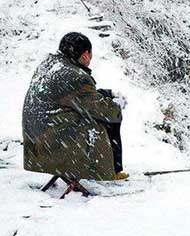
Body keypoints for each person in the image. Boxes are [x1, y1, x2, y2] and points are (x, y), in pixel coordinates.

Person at [22, 32, 129, 181]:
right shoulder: (73, 76)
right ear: (85, 54)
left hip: (36, 140)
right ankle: (113, 170)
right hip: (53, 143)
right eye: (90, 55)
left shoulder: (50, 65)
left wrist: (103, 94)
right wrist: (118, 104)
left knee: (103, 109)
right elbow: (104, 111)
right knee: (109, 120)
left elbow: (74, 97)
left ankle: (114, 168)